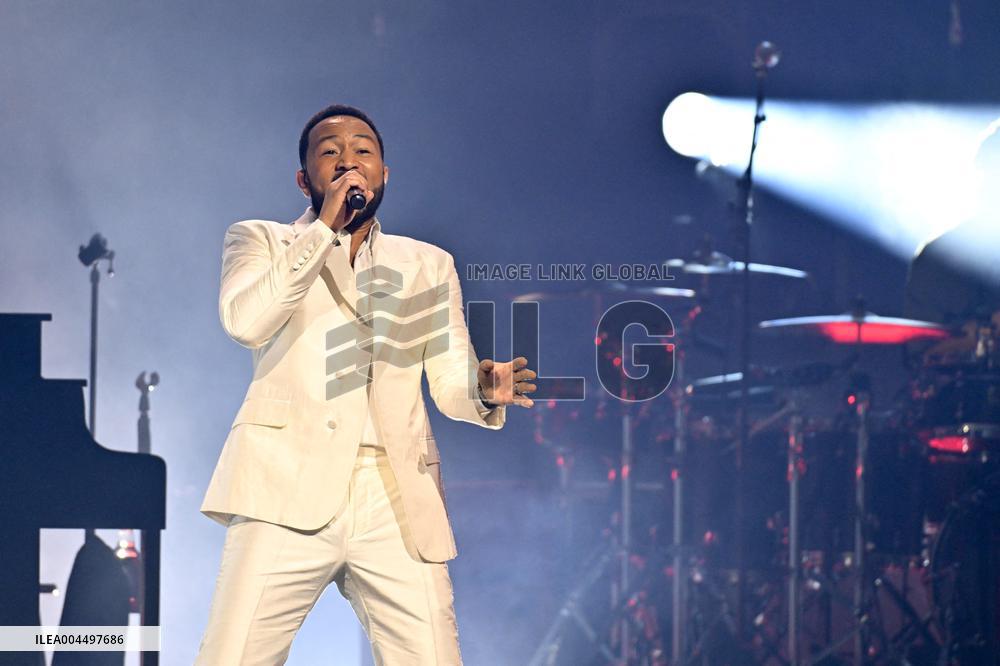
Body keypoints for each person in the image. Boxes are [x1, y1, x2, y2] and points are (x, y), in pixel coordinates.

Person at [196, 104, 537, 665]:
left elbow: (448, 382)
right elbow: (245, 321)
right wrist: (325, 229)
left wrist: (480, 389)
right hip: (284, 482)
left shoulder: (428, 263)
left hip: (395, 494)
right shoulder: (260, 240)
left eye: (363, 150)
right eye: (330, 151)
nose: (348, 160)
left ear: (384, 173)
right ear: (305, 178)